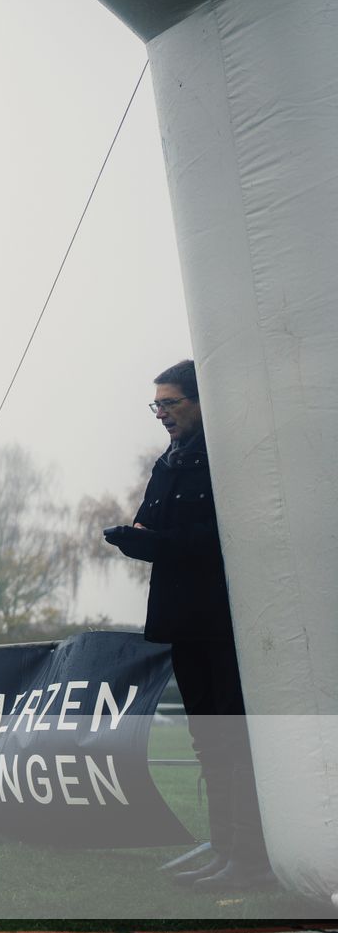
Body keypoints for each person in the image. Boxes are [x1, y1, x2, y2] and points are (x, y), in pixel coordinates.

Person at [104, 359, 270, 890]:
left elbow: (220, 537)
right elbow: (154, 524)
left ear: (200, 402)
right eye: (157, 405)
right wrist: (137, 538)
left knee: (235, 739)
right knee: (208, 741)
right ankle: (223, 845)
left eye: (170, 404)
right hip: (181, 619)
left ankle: (251, 856)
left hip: (224, 621)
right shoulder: (168, 461)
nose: (162, 415)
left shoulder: (226, 457)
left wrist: (155, 542)